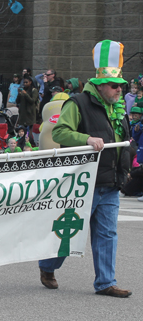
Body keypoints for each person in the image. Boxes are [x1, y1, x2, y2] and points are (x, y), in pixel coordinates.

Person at [39, 40, 132, 298]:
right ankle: (47, 266)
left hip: (110, 184)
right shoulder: (77, 102)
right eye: (115, 86)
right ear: (101, 85)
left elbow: (122, 143)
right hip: (83, 183)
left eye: (121, 86)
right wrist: (87, 139)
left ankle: (105, 282)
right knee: (69, 236)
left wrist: (125, 169)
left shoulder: (118, 108)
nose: (119, 90)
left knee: (107, 234)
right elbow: (59, 132)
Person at [16, 76, 39, 141]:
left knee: (29, 130)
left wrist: (26, 94)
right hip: (23, 113)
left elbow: (32, 101)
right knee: (22, 129)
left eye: (26, 82)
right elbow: (17, 101)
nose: (25, 84)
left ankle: (29, 141)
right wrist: (19, 94)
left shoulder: (34, 90)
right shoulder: (23, 90)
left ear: (30, 82)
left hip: (30, 113)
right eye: (24, 82)